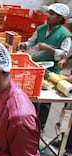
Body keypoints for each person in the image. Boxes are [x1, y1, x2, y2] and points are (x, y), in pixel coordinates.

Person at [18, 3, 71, 131]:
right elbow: (31, 42)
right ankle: (28, 123)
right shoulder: (41, 28)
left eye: (52, 14)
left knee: (45, 100)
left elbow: (65, 53)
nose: (48, 16)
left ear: (60, 18)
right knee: (31, 96)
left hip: (50, 71)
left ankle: (39, 126)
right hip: (34, 67)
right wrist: (24, 45)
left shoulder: (65, 35)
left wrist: (49, 49)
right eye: (49, 13)